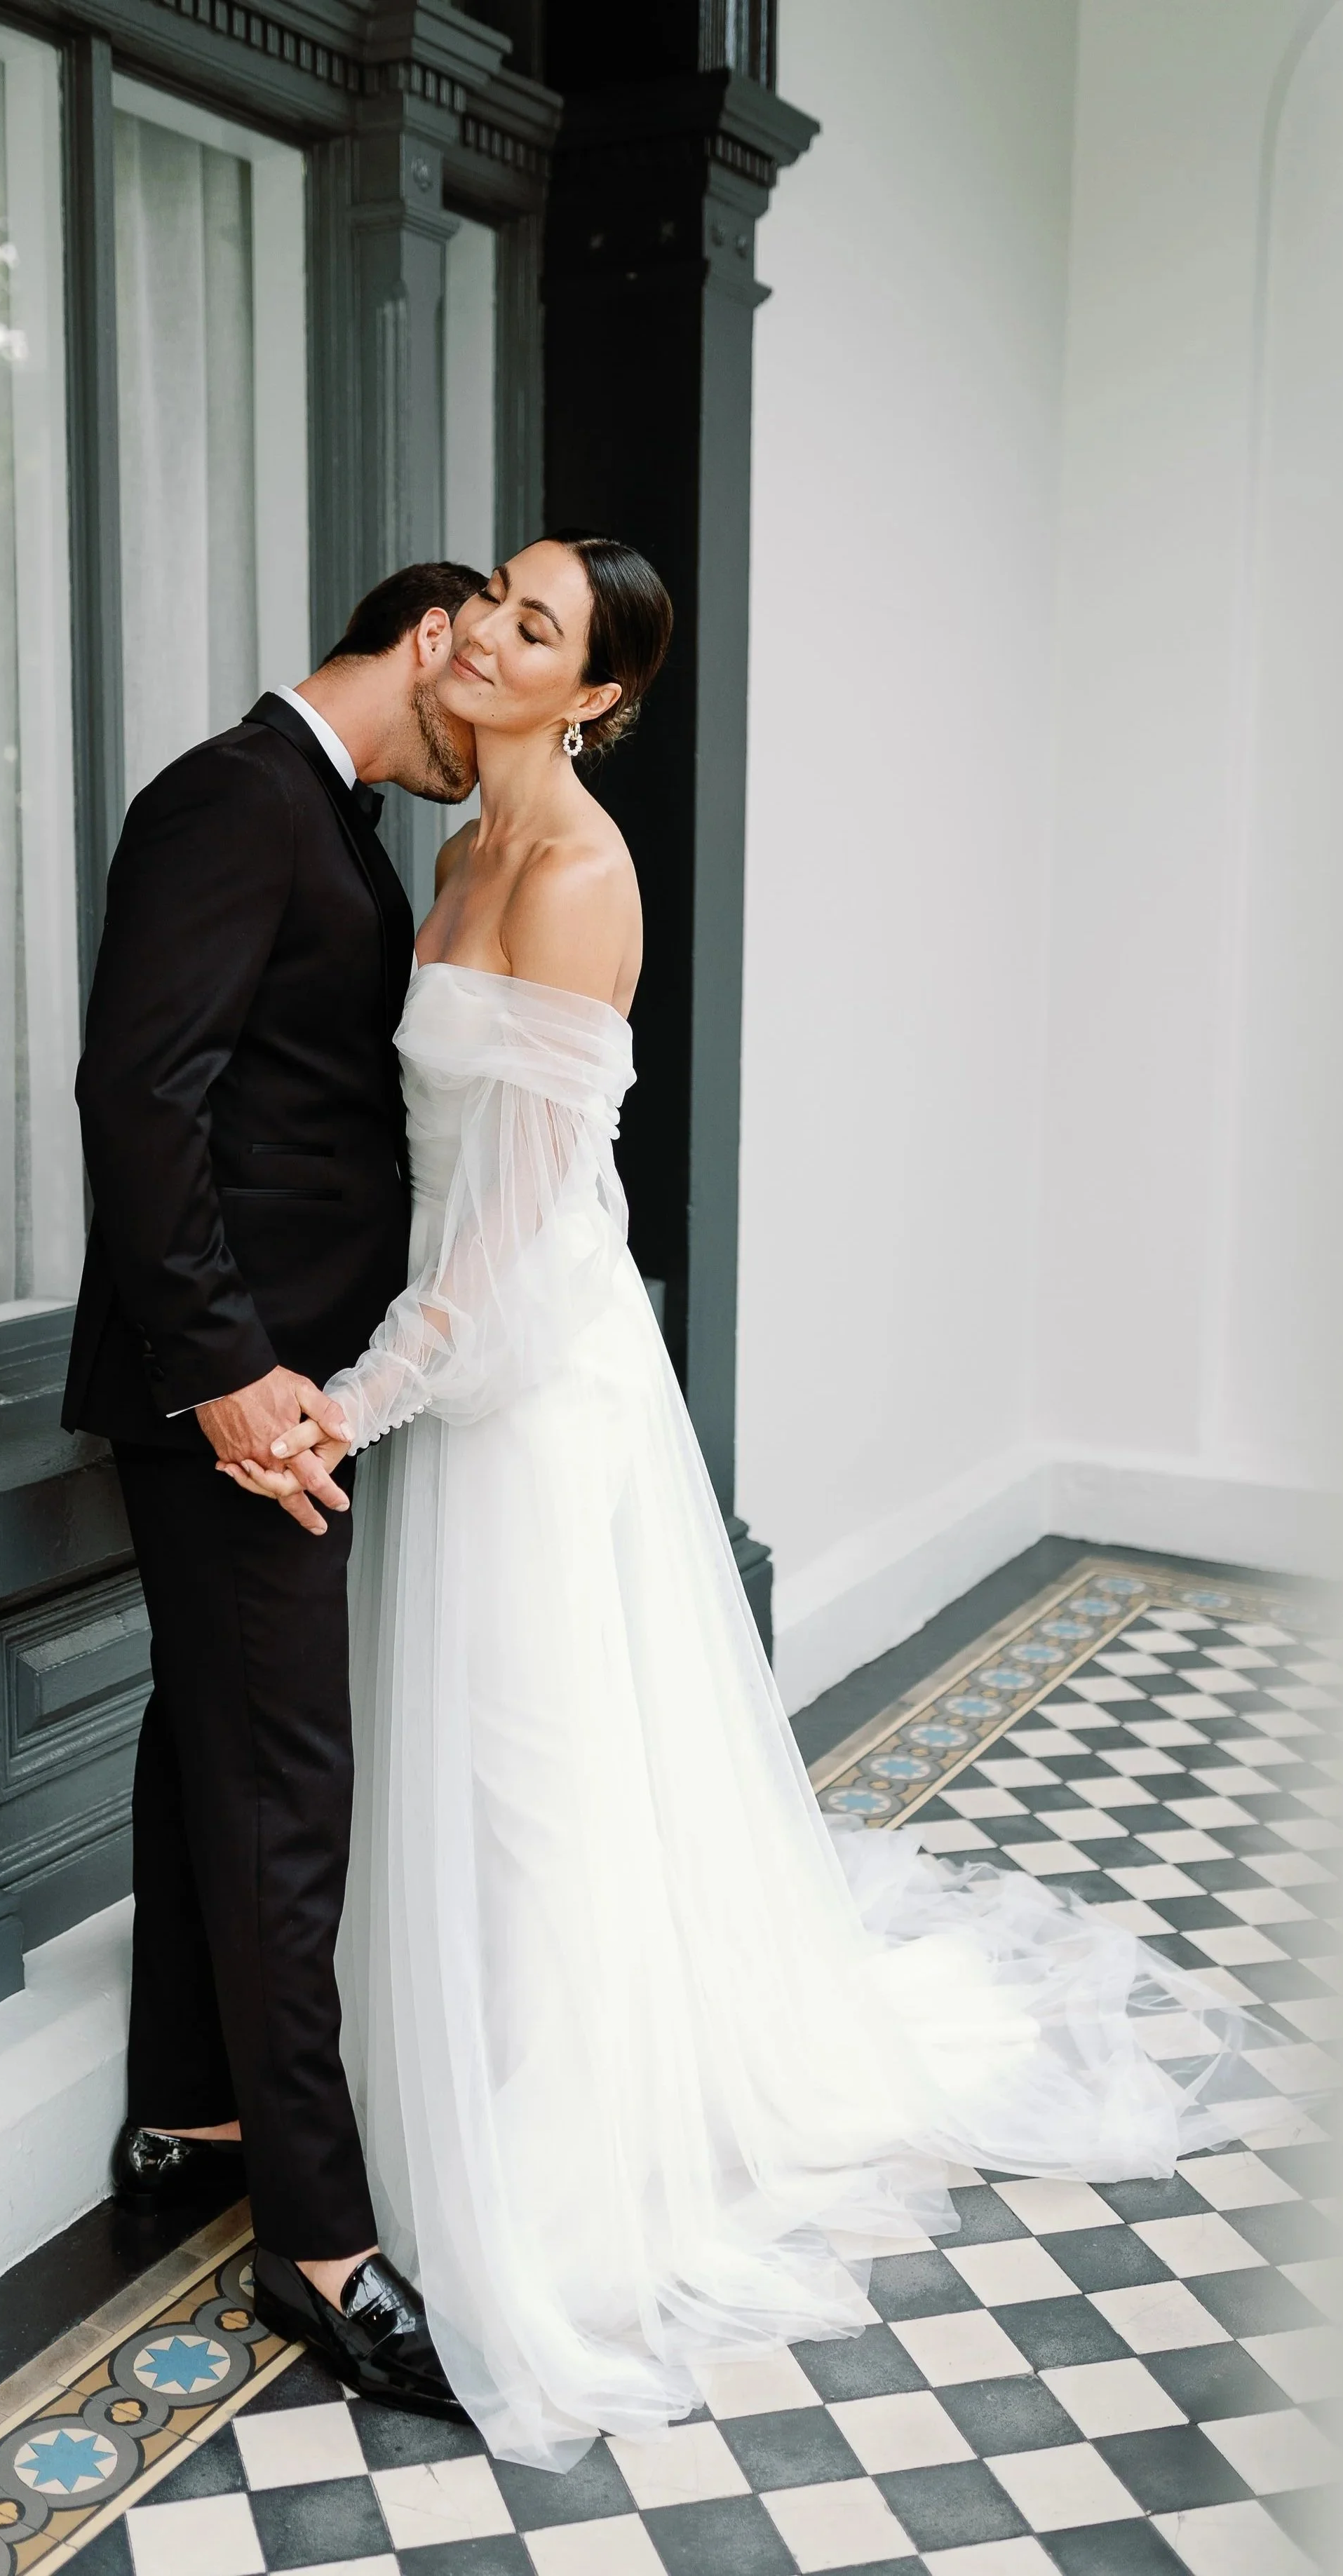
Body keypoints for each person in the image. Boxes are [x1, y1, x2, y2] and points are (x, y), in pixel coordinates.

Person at [227, 532, 1283, 2469]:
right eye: (496, 602)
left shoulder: (575, 877)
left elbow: (530, 1217)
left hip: (527, 1385)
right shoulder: (450, 851)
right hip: (442, 1369)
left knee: (539, 1776)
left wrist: (357, 1404)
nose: (484, 635)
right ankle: (444, 2084)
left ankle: (550, 2170)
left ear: (594, 698)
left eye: (535, 627)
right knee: (449, 1769)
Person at [62, 562, 490, 2420]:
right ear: (428, 636)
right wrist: (234, 1374)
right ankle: (318, 2243)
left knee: (212, 1745)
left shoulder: (333, 818)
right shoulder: (234, 796)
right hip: (240, 1398)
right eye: (483, 670)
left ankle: (191, 2105)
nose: (495, 722)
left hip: (287, 1390)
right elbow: (140, 1095)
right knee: (286, 1783)